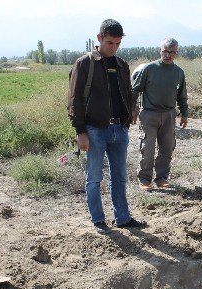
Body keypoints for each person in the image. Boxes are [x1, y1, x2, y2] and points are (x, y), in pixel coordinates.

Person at [67, 19, 147, 234]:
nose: (113, 48)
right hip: (94, 131)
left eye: (117, 44)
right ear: (100, 38)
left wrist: (132, 109)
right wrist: (80, 131)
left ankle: (122, 218)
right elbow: (74, 100)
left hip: (119, 130)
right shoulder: (84, 64)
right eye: (110, 43)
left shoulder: (121, 64)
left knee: (119, 177)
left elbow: (128, 92)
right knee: (94, 178)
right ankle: (98, 220)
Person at [132, 37, 189, 190]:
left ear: (176, 53)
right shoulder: (149, 69)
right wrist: (133, 109)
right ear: (160, 51)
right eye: (165, 51)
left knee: (167, 148)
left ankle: (162, 178)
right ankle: (144, 180)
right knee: (147, 148)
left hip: (169, 115)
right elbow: (135, 90)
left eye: (171, 52)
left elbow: (182, 96)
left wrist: (184, 113)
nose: (168, 55)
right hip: (149, 114)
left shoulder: (179, 72)